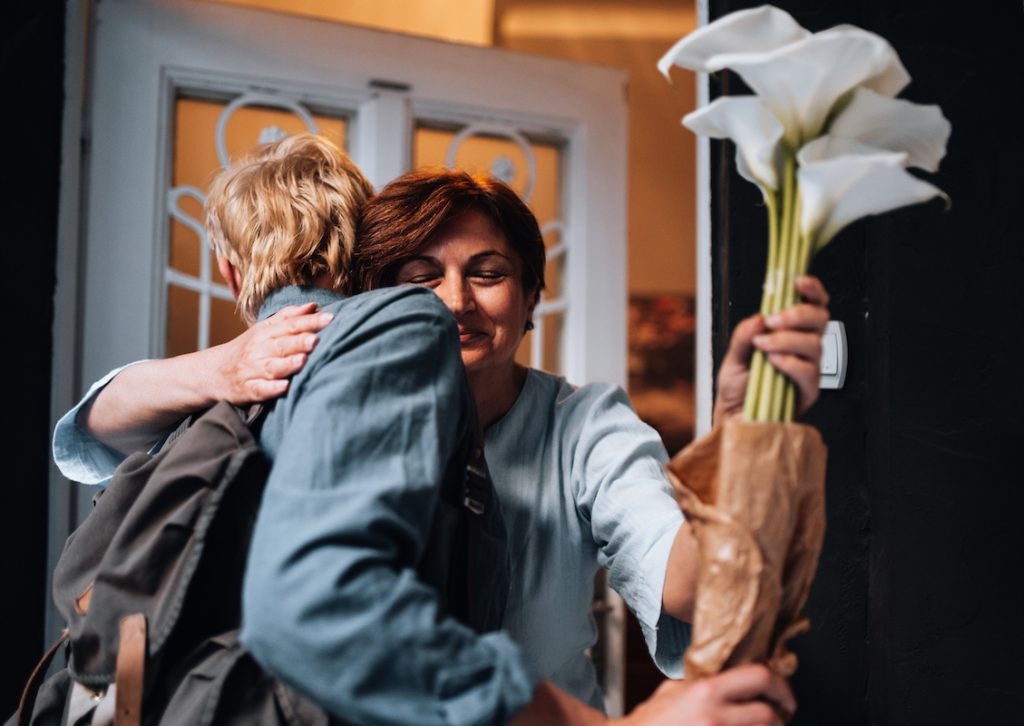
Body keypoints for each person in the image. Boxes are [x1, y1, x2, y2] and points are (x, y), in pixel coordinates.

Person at [55, 146, 811, 724]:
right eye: (420, 276)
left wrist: (744, 432)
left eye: (488, 272)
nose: (455, 301)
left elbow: (683, 576)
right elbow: (92, 425)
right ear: (374, 299)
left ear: (531, 298)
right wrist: (219, 366)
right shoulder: (292, 385)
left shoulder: (581, 423)